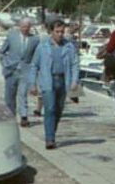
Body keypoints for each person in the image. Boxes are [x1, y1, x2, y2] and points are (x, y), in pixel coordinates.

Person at [29, 19, 80, 150]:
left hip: (63, 80)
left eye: (62, 32)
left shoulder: (69, 47)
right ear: (51, 32)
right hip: (48, 80)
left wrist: (74, 81)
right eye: (57, 31)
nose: (60, 34)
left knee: (58, 110)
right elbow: (34, 65)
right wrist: (32, 84)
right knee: (50, 109)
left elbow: (75, 64)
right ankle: (49, 138)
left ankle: (52, 131)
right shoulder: (43, 47)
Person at [0, 17, 39, 124]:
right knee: (9, 95)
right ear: (19, 26)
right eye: (23, 26)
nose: (25, 29)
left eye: (27, 27)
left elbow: (35, 56)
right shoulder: (12, 36)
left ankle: (24, 116)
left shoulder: (35, 39)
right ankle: (10, 115)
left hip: (26, 70)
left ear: (30, 27)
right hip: (11, 70)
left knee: (23, 94)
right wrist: (5, 64)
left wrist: (34, 68)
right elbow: (2, 52)